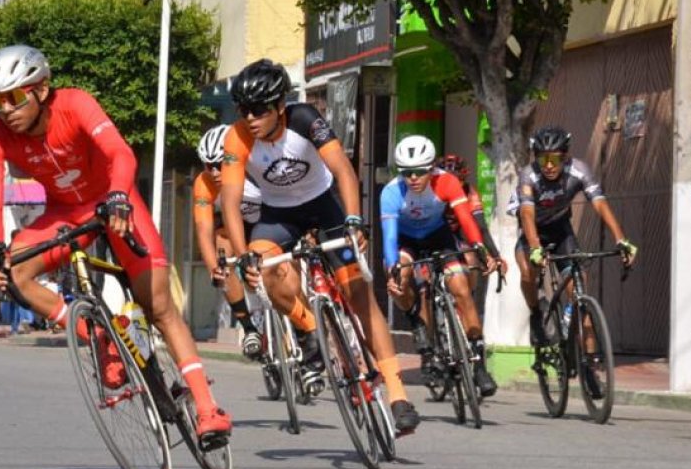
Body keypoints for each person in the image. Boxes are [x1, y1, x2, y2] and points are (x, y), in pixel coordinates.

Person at [0, 44, 233, 447]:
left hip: (114, 202)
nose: (4, 109)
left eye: (13, 97)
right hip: (64, 212)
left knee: (160, 306)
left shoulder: (75, 104)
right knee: (13, 271)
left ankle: (206, 407)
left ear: (41, 89)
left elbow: (120, 152)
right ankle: (98, 335)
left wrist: (117, 196)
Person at [220, 58, 421, 433]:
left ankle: (396, 393)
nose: (250, 117)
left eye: (260, 109)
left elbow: (343, 170)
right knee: (265, 276)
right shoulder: (237, 137)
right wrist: (242, 252)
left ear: (280, 106)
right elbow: (230, 201)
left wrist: (353, 220)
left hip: (324, 205)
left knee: (359, 295)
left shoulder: (305, 119)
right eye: (244, 110)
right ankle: (309, 327)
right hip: (278, 215)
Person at [380, 136, 500, 397]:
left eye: (420, 171)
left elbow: (466, 219)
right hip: (405, 240)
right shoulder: (390, 192)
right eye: (407, 173)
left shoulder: (446, 181)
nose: (413, 178)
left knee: (461, 287)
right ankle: (420, 332)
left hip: (439, 237)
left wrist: (479, 248)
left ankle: (478, 364)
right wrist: (392, 268)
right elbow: (389, 237)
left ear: (431, 168)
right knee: (400, 276)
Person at [515, 126, 637, 350]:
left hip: (561, 230)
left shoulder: (579, 170)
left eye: (555, 159)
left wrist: (621, 239)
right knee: (527, 273)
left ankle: (589, 362)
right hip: (533, 231)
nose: (549, 166)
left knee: (581, 295)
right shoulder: (528, 175)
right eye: (543, 160)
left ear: (566, 156)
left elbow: (600, 204)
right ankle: (535, 313)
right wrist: (535, 247)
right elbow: (527, 214)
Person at [191, 125, 265, 359]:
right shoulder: (204, 184)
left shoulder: (253, 170)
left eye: (219, 163)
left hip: (268, 221)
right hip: (237, 227)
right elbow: (203, 230)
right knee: (221, 246)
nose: (213, 172)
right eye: (207, 165)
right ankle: (249, 327)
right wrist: (215, 269)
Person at [436, 153, 507, 304]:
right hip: (433, 233)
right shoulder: (433, 192)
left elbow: (481, 227)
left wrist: (495, 256)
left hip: (454, 235)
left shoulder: (470, 193)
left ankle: (472, 304)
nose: (453, 187)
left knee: (474, 259)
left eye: (458, 181)